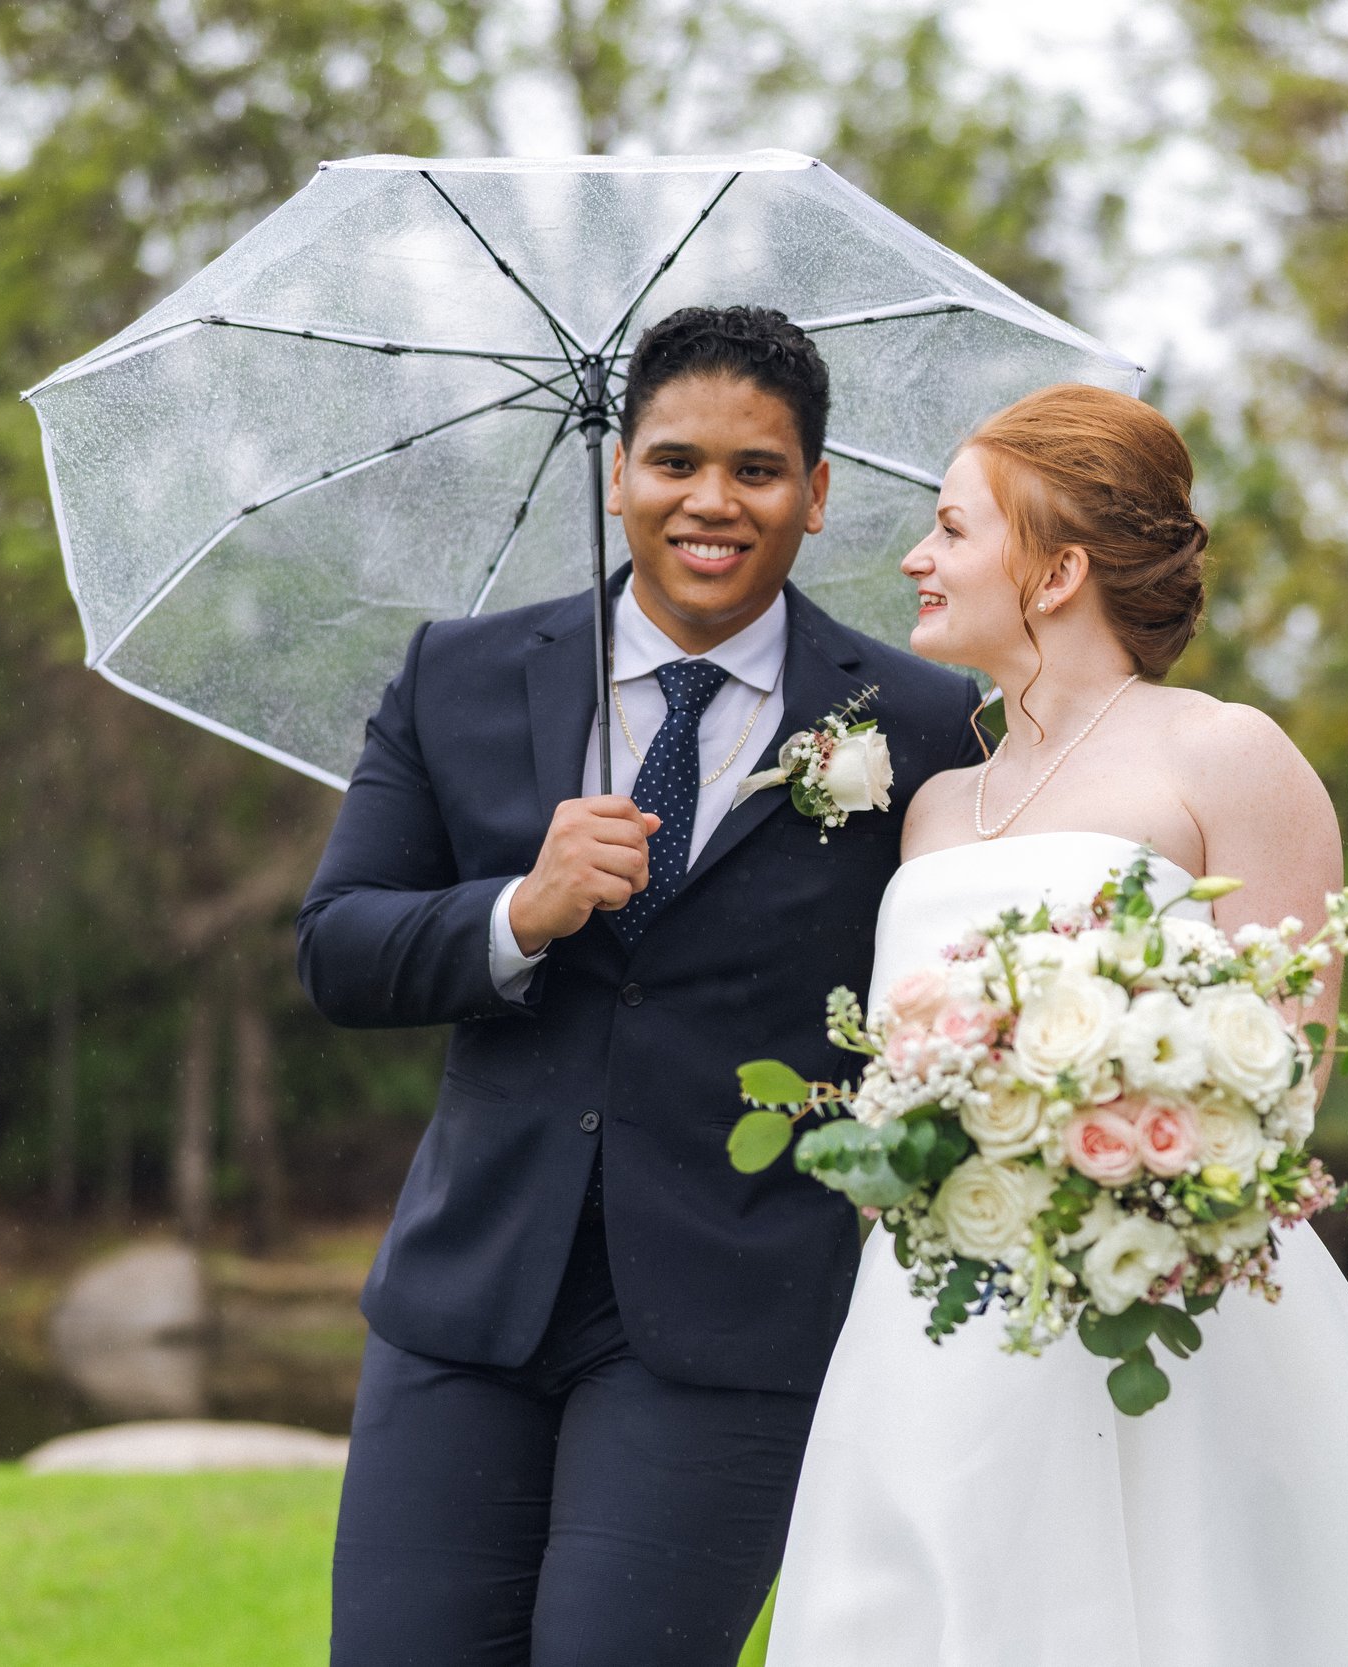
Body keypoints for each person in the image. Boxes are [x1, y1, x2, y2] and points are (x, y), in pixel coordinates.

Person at [764, 384, 1348, 1666]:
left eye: (948, 528)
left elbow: (1285, 1073)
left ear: (1056, 570)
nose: (914, 558)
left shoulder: (1224, 755)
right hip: (929, 1321)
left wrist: (1107, 1175)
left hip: (1166, 1299)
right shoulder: (932, 807)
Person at [294, 304, 981, 1667]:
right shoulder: (461, 674)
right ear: (617, 476)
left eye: (757, 468)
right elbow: (339, 946)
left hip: (731, 1315)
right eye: (674, 461)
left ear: (819, 493)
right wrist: (521, 909)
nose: (710, 501)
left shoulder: (917, 719)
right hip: (467, 1303)